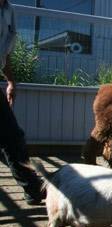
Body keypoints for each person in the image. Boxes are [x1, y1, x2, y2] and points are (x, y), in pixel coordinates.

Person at [1, 0, 45, 205]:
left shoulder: (9, 11)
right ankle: (33, 188)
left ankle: (33, 189)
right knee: (11, 136)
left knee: (12, 136)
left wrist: (10, 80)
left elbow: (4, 52)